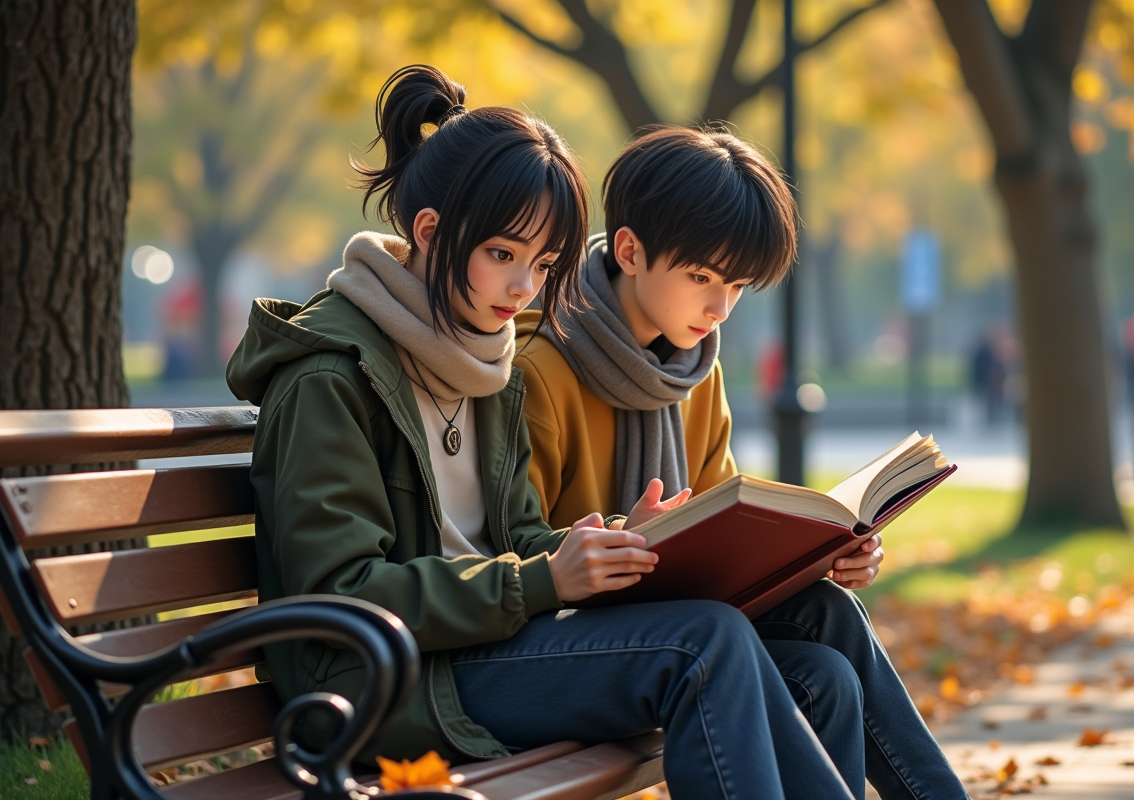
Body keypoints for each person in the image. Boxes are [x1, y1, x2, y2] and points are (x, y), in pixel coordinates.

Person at [226, 65, 856, 800]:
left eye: (544, 263)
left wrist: (627, 540)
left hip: (482, 651)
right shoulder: (331, 379)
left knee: (819, 671)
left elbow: (519, 537)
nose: (525, 289)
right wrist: (540, 579)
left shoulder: (484, 361)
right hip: (381, 685)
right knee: (704, 643)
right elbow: (341, 593)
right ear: (429, 233)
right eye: (502, 255)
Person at [514, 126, 968, 800]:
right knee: (764, 646)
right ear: (631, 250)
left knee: (828, 648)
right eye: (701, 277)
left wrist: (826, 553)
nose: (720, 306)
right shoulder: (540, 367)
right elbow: (510, 546)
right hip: (567, 643)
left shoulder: (696, 370)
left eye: (737, 284)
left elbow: (722, 521)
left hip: (674, 621)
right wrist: (622, 533)